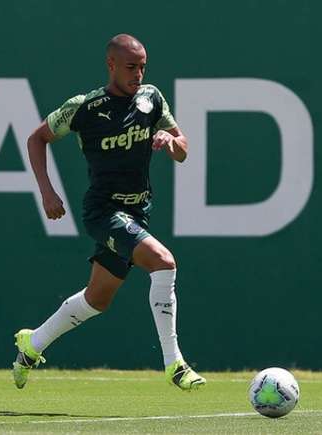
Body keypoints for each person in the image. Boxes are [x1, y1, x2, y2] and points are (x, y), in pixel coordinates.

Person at [12, 34, 206, 391]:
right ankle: (175, 364)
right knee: (163, 262)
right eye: (131, 67)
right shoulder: (84, 107)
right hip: (104, 211)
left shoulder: (152, 98)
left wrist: (171, 142)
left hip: (137, 212)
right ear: (111, 65)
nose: (139, 74)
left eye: (143, 66)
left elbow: (183, 149)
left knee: (96, 299)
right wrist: (47, 191)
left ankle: (32, 344)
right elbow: (36, 138)